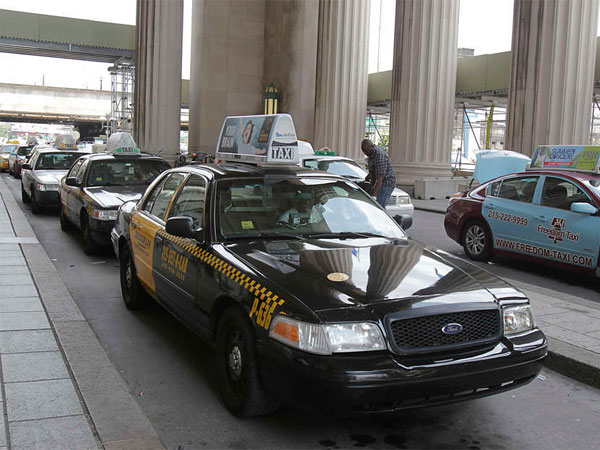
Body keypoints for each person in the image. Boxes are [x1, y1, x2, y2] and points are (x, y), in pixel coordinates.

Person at [360, 139, 396, 208]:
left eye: (367, 151)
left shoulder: (380, 156)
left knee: (378, 206)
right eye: (364, 151)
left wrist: (374, 196)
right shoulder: (371, 154)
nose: (366, 153)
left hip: (386, 183)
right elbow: (374, 170)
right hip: (378, 181)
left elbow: (379, 179)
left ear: (372, 147)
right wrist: (367, 178)